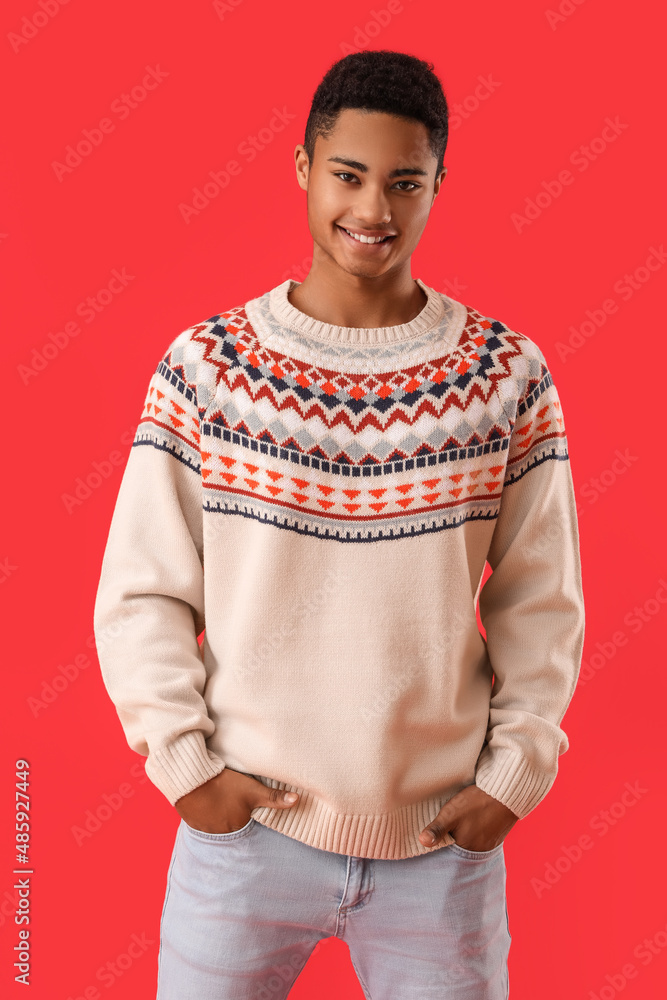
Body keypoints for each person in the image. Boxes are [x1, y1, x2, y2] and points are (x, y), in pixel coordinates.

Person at [93, 48, 585, 999]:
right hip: (244, 843)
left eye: (405, 182)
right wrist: (186, 766)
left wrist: (514, 776)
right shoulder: (207, 368)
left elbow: (541, 597)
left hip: (440, 846)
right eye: (348, 175)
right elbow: (141, 588)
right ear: (302, 168)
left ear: (439, 183)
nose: (374, 210)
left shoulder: (505, 377)